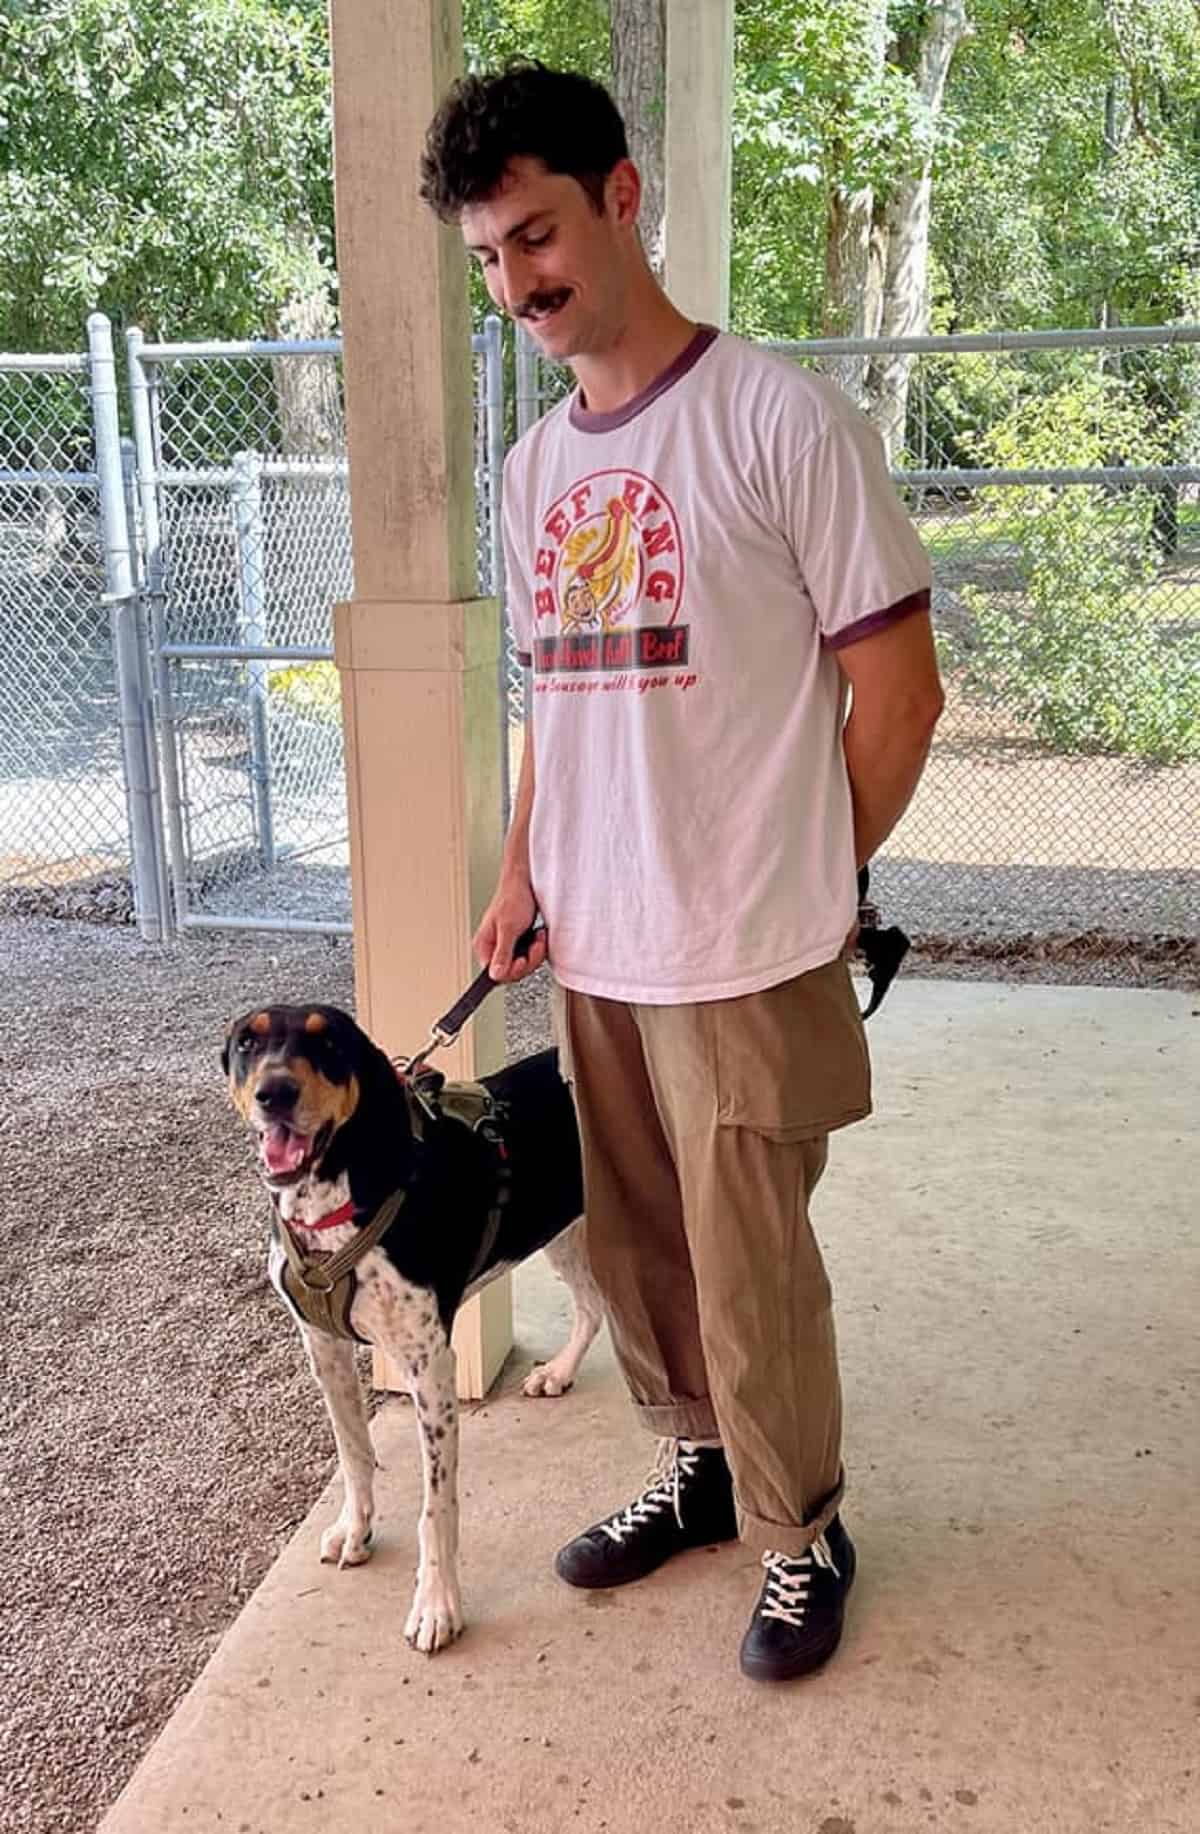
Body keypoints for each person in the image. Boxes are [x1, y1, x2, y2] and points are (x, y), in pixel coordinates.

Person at [419, 61, 943, 1683]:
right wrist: (523, 870)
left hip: (743, 943)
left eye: (537, 236)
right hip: (600, 944)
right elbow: (553, 704)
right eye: (489, 259)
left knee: (749, 1260)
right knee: (637, 1239)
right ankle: (701, 1469)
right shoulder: (533, 477)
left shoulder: (781, 420)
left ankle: (803, 1528)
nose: (517, 284)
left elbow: (902, 691)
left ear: (624, 197)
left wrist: (808, 872)